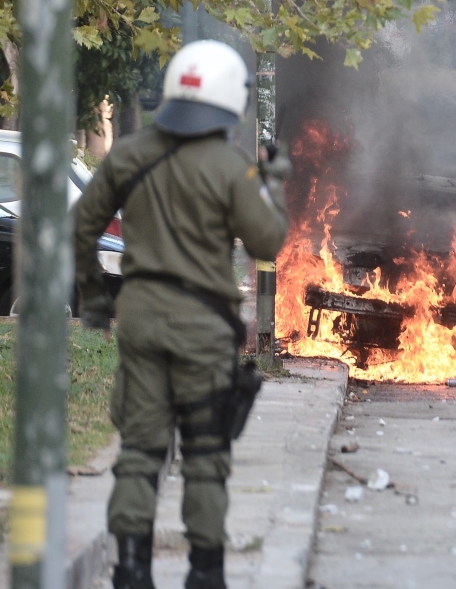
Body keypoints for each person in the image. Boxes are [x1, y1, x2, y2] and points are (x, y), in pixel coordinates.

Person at [74, 40, 290, 589]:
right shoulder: (231, 167)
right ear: (228, 101)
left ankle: (131, 571)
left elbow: (81, 226)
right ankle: (205, 574)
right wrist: (274, 183)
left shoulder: (128, 153)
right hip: (204, 328)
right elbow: (267, 241)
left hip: (141, 320)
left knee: (140, 451)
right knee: (205, 454)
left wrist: (95, 299)